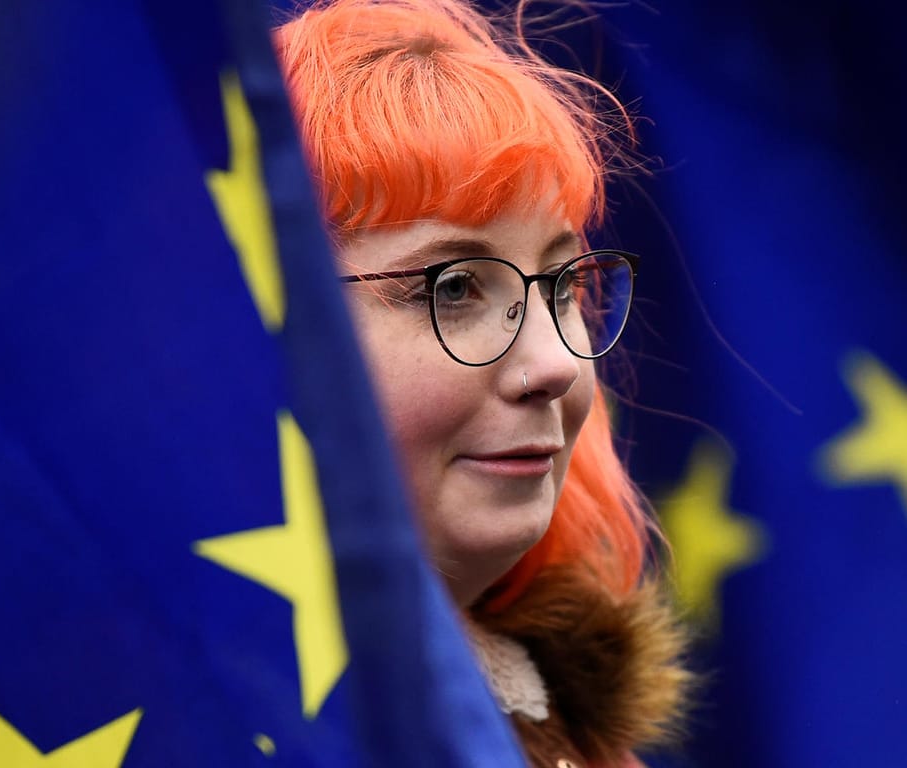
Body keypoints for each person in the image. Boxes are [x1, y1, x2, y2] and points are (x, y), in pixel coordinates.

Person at [274, 1, 691, 766]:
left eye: (563, 286)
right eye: (455, 288)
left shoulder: (577, 730)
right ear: (259, 324)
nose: (557, 363)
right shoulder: (172, 711)